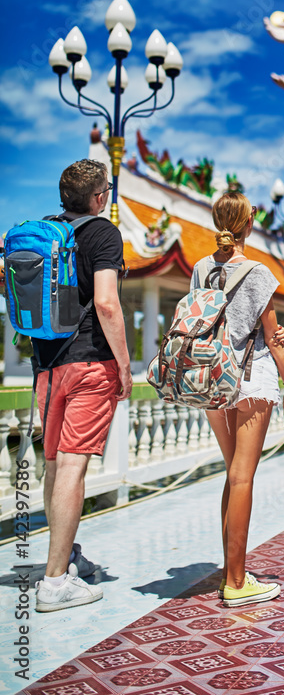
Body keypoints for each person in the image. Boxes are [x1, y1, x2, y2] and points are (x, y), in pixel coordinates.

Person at [191, 191, 284, 607]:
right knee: (243, 476)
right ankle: (236, 582)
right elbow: (272, 337)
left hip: (212, 378)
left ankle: (230, 571)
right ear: (248, 223)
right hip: (251, 379)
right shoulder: (257, 271)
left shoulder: (201, 267)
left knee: (232, 473)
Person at [33, 160, 133, 613]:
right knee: (74, 467)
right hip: (90, 364)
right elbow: (108, 304)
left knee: (54, 466)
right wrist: (125, 366)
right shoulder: (102, 233)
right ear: (99, 196)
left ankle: (64, 556)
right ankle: (55, 583)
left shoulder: (45, 230)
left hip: (45, 366)